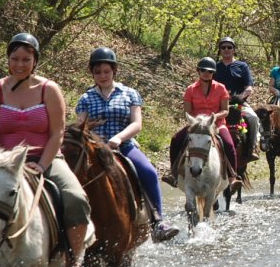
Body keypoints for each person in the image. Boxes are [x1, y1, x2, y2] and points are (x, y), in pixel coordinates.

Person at [0, 33, 92, 267]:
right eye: (15, 58)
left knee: (76, 197)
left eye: (26, 59)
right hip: (3, 161)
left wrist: (42, 164)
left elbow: (57, 132)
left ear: (35, 60)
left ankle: (74, 261)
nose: (20, 64)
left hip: (45, 157)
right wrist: (4, 162)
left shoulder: (49, 89)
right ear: (8, 59)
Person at [75, 47, 179, 243]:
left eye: (106, 71)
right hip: (95, 150)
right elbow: (82, 127)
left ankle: (158, 221)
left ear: (114, 70)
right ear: (92, 73)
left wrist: (119, 138)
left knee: (148, 171)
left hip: (124, 146)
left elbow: (136, 124)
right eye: (97, 72)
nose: (102, 76)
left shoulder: (129, 94)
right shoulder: (86, 99)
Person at [171, 57, 240, 186]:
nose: (206, 73)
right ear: (198, 71)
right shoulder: (190, 89)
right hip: (196, 125)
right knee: (176, 139)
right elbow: (188, 112)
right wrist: (198, 121)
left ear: (213, 73)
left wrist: (213, 117)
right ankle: (173, 174)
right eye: (203, 70)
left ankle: (232, 177)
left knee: (229, 145)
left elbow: (225, 111)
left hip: (217, 124)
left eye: (209, 71)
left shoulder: (221, 88)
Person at [214, 36, 260, 162]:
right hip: (218, 104)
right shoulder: (215, 67)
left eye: (229, 47)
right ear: (220, 50)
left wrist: (238, 98)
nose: (226, 50)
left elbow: (249, 88)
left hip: (238, 103)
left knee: (253, 118)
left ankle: (252, 148)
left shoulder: (242, 66)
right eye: (223, 47)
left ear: (234, 50)